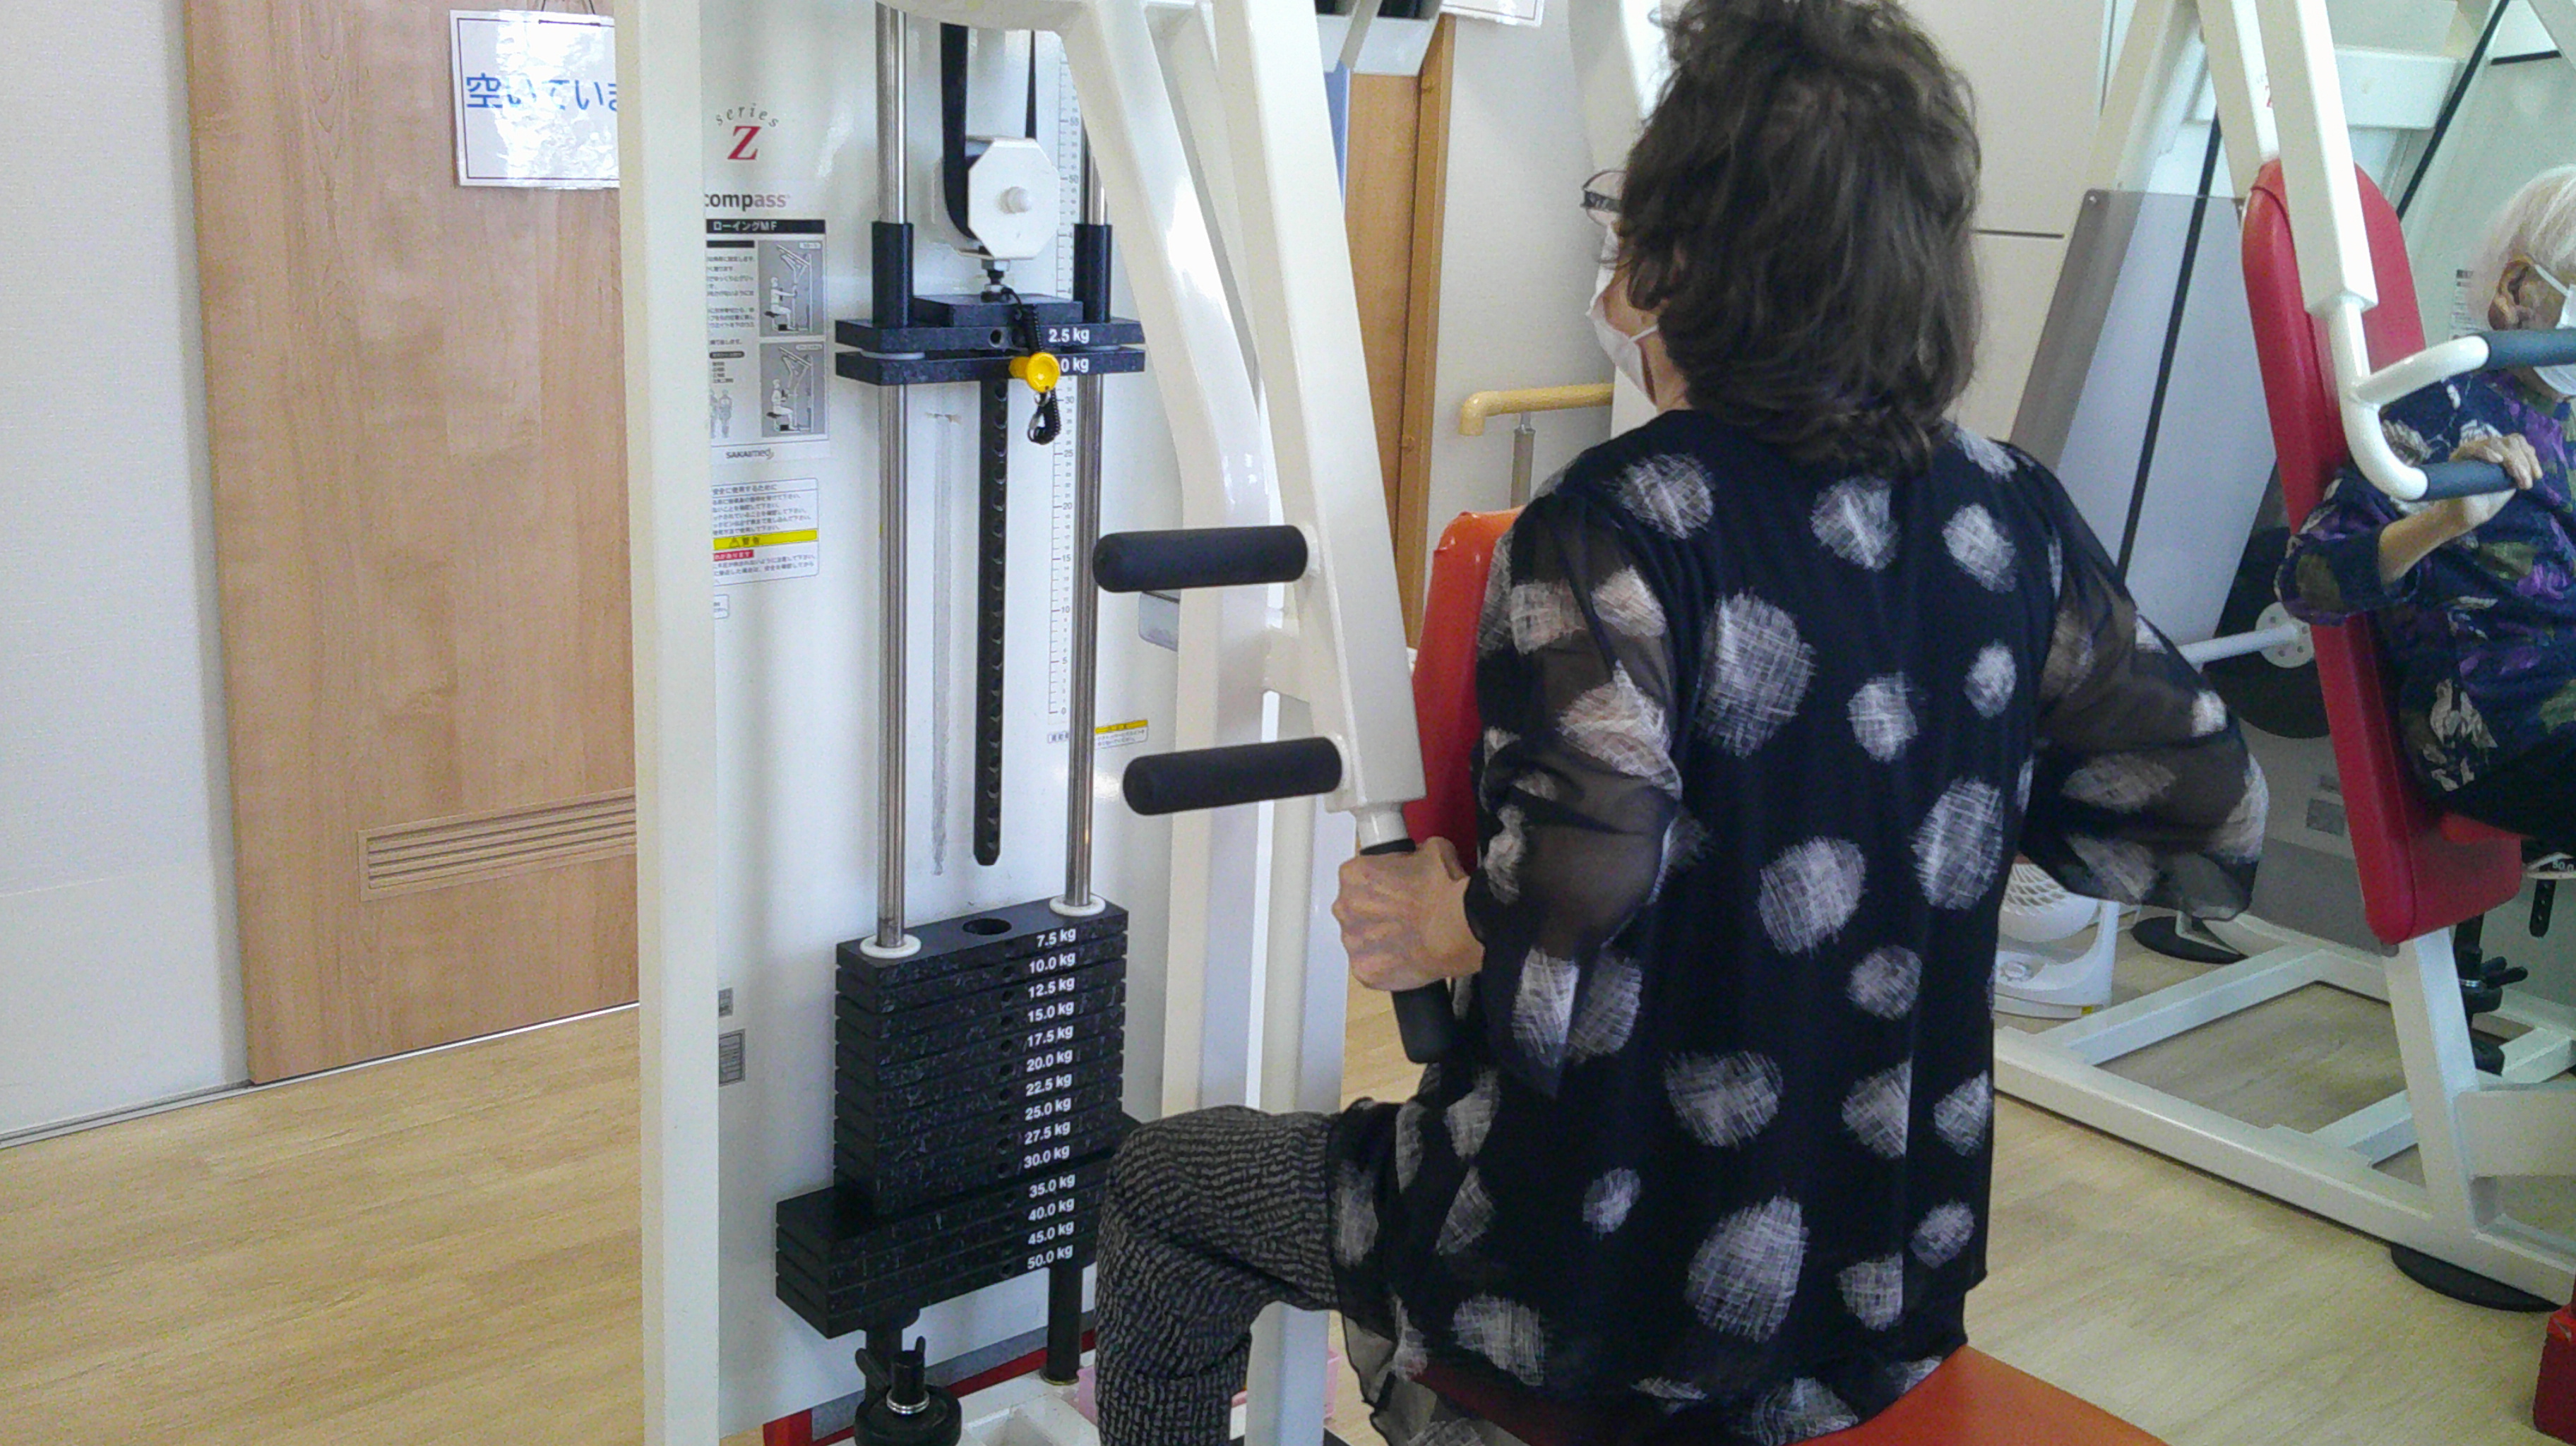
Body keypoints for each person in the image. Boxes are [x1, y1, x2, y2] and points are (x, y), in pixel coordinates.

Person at [1092, 0, 2265, 1441]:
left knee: (1160, 1194)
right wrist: (1926, 822)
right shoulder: (2007, 510)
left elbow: (1574, 901)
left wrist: (1451, 918)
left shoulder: (1615, 526)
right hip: (1872, 1292)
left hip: (1593, 1291)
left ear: (1674, 256)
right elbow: (2209, 810)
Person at [2275, 166, 2576, 849]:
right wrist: (2442, 521)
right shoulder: (2439, 409)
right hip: (2500, 735)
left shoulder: (2563, 419)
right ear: (2519, 291)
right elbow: (2305, 581)